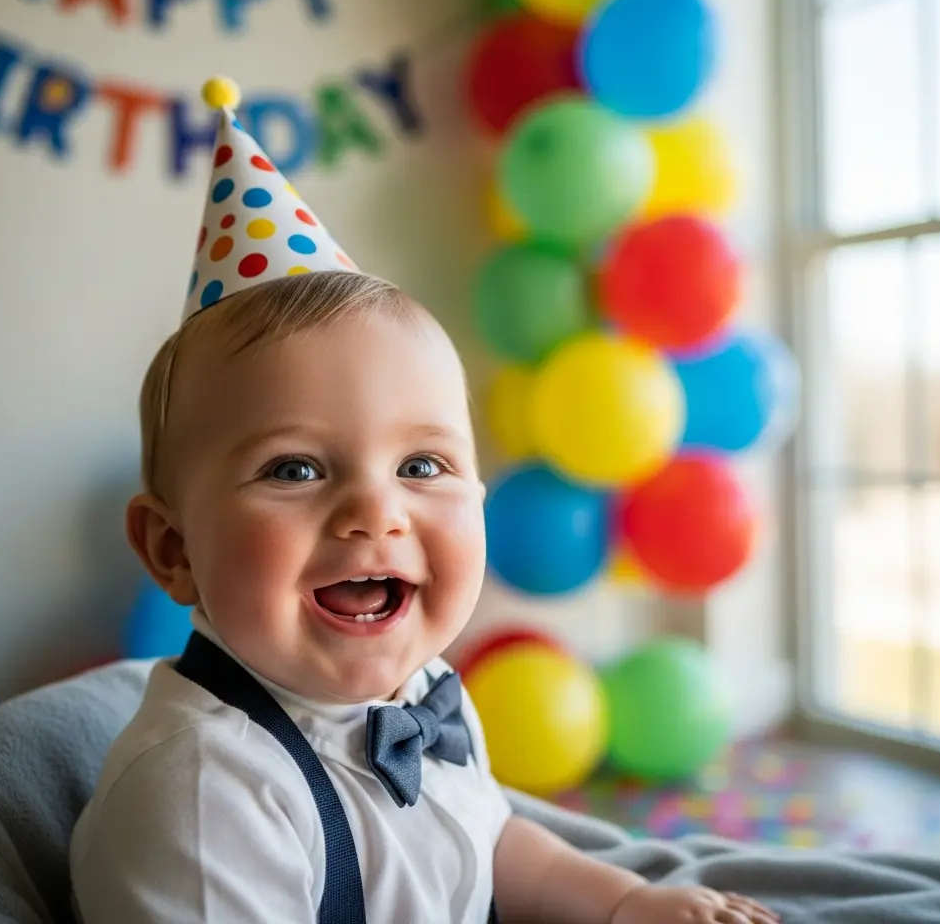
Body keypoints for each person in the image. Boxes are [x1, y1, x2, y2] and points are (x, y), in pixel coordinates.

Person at [70, 78, 779, 924]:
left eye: (422, 463)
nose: (377, 513)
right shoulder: (204, 798)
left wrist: (627, 901)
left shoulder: (425, 692)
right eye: (294, 469)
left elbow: (486, 839)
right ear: (172, 550)